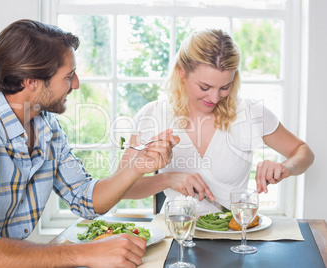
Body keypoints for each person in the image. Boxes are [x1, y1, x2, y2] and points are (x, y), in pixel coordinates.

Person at [0, 19, 180, 268]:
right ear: (31, 81)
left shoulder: (47, 127)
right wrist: (86, 253)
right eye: (69, 76)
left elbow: (86, 199)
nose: (77, 84)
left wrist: (137, 166)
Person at [118, 28, 314, 213]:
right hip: (177, 230)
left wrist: (285, 167)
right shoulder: (154, 114)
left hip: (235, 235)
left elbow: (303, 152)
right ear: (182, 73)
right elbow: (121, 188)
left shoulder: (250, 113)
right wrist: (167, 179)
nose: (214, 98)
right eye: (204, 87)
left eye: (224, 87)